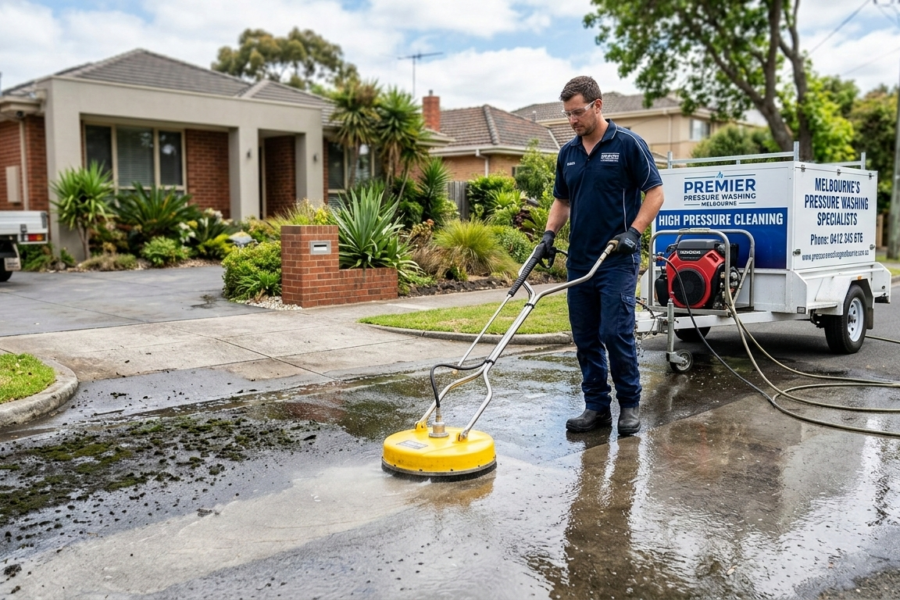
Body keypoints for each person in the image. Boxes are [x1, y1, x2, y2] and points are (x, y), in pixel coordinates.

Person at [536, 75, 664, 435]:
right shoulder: (569, 153)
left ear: (598, 105)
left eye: (577, 112)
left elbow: (655, 193)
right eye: (568, 115)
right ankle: (596, 407)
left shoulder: (627, 145)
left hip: (617, 259)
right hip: (580, 260)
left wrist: (633, 232)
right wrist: (549, 234)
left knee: (614, 331)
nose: (572, 120)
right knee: (586, 336)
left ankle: (628, 405)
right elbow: (562, 200)